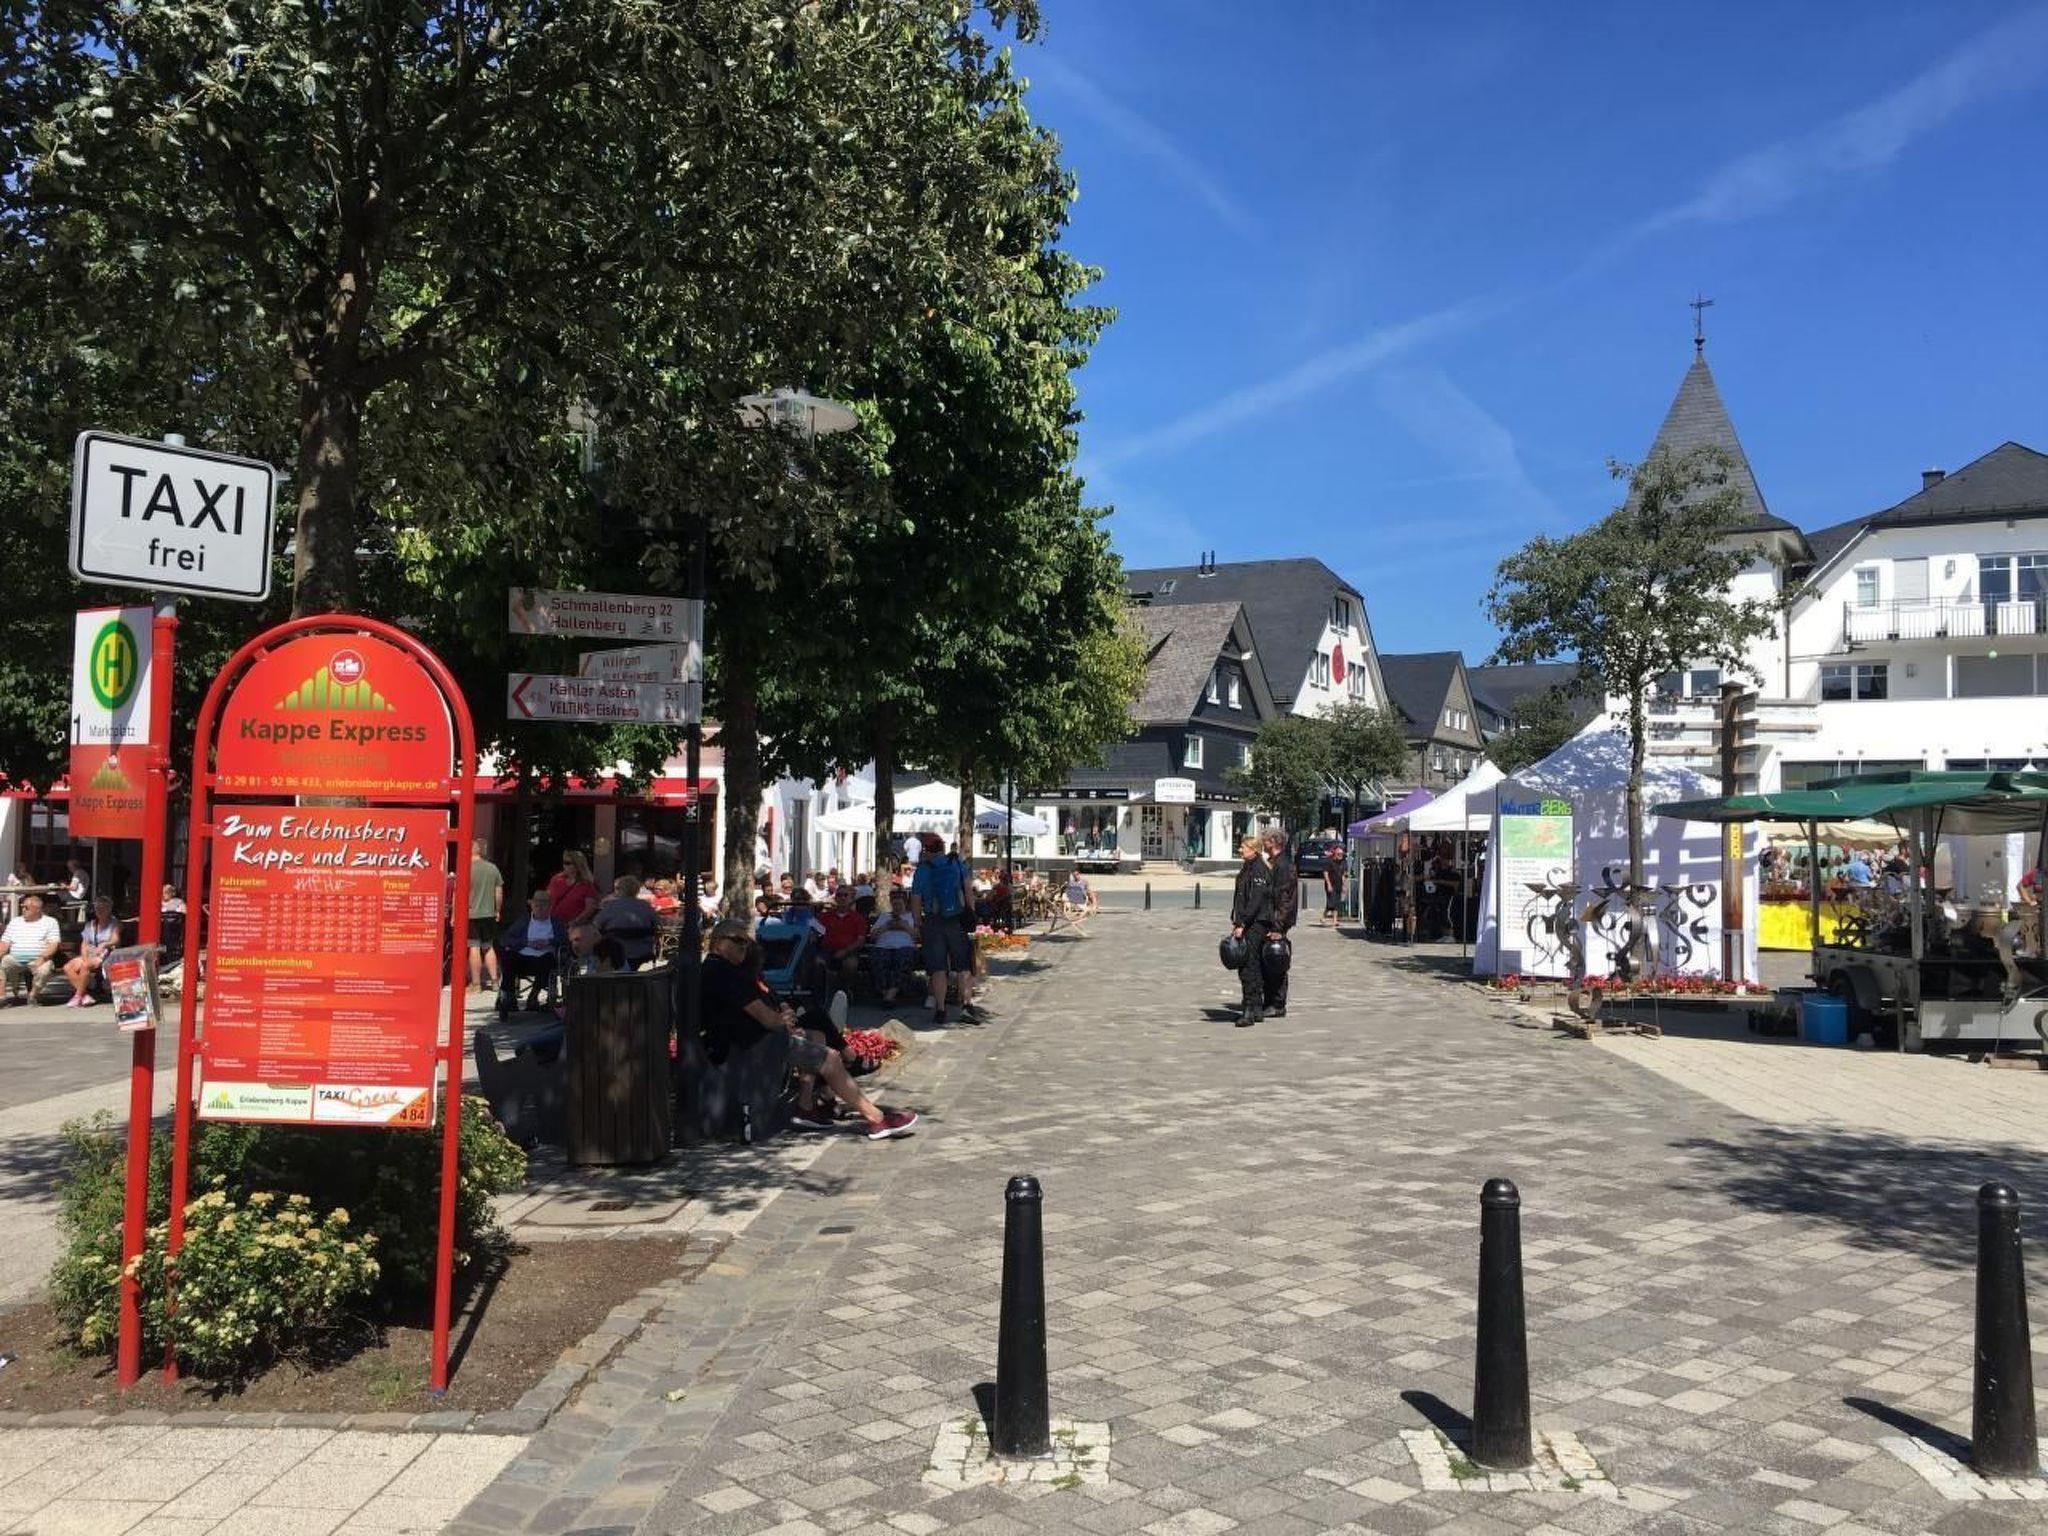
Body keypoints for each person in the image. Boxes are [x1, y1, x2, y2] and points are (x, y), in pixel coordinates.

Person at [700, 920, 917, 1140]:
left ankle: (805, 1107)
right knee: (830, 1058)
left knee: (816, 1035)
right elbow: (768, 1020)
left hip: (751, 1042)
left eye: (746, 942)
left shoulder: (721, 970)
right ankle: (877, 1119)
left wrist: (784, 1020)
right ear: (718, 943)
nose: (744, 947)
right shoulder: (725, 975)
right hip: (751, 1048)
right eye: (738, 941)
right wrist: (784, 1022)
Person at [910, 832, 973, 1023]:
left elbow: (916, 900)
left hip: (933, 921)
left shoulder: (922, 870)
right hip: (957, 920)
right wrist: (970, 913)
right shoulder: (956, 863)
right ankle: (966, 1005)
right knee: (963, 965)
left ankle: (940, 1008)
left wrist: (917, 924)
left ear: (926, 850)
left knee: (938, 968)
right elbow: (968, 890)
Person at [1229, 834, 1277, 1028]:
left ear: (1254, 850)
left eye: (1243, 847)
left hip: (1255, 924)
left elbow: (1255, 901)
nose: (1240, 850)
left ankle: (1249, 1010)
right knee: (1253, 965)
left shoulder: (1258, 869)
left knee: (1248, 966)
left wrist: (1242, 923)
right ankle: (1256, 1008)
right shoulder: (1248, 867)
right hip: (1251, 922)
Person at [498, 892, 567, 1014]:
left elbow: (564, 939)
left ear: (549, 907)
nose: (540, 908)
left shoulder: (556, 923)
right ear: (532, 906)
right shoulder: (524, 921)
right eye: (537, 905)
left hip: (545, 957)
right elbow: (506, 939)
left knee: (547, 960)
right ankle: (509, 996)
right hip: (524, 956)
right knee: (508, 957)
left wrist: (548, 942)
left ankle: (533, 996)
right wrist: (527, 943)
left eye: (543, 905)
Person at [0, 894, 63, 1007]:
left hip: (39, 958)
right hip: (14, 959)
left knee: (45, 969)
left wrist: (42, 958)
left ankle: (33, 995)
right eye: (22, 907)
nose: (23, 910)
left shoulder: (50, 922)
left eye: (26, 907)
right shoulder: (15, 922)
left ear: (38, 909)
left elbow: (54, 944)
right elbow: (4, 943)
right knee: (2, 963)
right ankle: (2, 997)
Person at [1262, 828, 1298, 1016]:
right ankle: (1270, 1001)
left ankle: (1277, 1004)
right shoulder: (1275, 862)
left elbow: (1284, 897)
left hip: (1278, 921)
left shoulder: (1283, 864)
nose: (1263, 843)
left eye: (1265, 840)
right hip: (1273, 918)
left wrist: (1278, 926)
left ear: (1274, 842)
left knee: (1276, 960)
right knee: (1269, 961)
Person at [62, 894, 121, 1007]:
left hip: (105, 955)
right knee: (68, 967)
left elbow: (115, 939)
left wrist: (104, 944)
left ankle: (77, 996)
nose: (99, 911)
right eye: (97, 908)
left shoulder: (114, 924)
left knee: (85, 966)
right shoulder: (90, 925)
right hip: (90, 954)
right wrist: (85, 957)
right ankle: (84, 995)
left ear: (109, 909)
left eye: (102, 908)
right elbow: (84, 944)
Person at [595, 876, 658, 968]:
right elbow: (657, 923)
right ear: (637, 890)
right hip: (642, 950)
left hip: (615, 952)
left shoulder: (610, 906)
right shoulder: (645, 906)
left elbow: (597, 925)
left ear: (619, 890)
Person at [467, 838, 504, 993]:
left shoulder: (466, 868)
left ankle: (476, 984)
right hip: (488, 914)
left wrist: (455, 915)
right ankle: (494, 981)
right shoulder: (492, 868)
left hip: (471, 914)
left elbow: (458, 893)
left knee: (474, 947)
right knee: (488, 946)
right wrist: (497, 910)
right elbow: (498, 892)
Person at [868, 889, 919, 1003]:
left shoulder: (911, 917)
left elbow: (918, 937)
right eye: (895, 904)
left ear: (905, 903)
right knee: (878, 959)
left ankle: (891, 993)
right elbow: (872, 937)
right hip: (883, 946)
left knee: (903, 959)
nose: (897, 907)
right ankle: (885, 992)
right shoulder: (884, 917)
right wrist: (886, 927)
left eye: (900, 904)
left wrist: (905, 927)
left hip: (905, 947)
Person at [816, 884, 869, 991]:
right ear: (835, 898)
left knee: (850, 965)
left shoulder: (858, 918)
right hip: (827, 950)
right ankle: (824, 991)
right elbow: (816, 933)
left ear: (851, 899)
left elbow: (860, 940)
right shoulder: (825, 916)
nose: (842, 898)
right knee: (818, 962)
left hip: (849, 952)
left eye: (845, 895)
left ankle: (844, 990)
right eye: (839, 895)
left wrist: (845, 951)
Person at [547, 851, 600, 927]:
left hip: (571, 927)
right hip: (551, 923)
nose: (564, 865)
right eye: (564, 862)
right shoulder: (556, 880)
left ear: (577, 866)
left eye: (568, 863)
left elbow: (590, 909)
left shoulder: (586, 885)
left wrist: (575, 922)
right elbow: (547, 898)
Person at [1320, 832, 1344, 926]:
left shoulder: (1342, 863)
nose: (1340, 856)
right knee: (1331, 902)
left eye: (1341, 854)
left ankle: (1334, 920)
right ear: (1335, 854)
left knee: (1336, 902)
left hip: (1338, 884)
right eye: (1339, 854)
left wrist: (1344, 885)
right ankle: (1325, 916)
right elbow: (1325, 873)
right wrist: (1329, 884)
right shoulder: (1329, 862)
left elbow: (1343, 875)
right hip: (1331, 884)